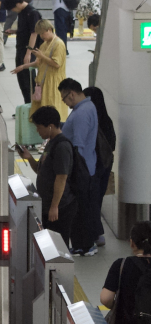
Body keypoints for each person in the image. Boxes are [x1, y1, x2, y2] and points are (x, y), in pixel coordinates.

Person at [18, 105, 77, 246]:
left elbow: (61, 178)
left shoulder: (62, 146)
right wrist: (29, 158)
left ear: (50, 126)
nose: (38, 131)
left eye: (39, 127)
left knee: (58, 246)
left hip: (60, 207)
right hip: (48, 204)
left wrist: (54, 206)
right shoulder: (51, 143)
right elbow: (42, 171)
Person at [59, 77, 99, 255]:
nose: (65, 103)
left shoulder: (82, 113)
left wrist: (74, 172)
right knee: (83, 208)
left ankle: (85, 245)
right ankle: (83, 244)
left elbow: (79, 145)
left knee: (81, 211)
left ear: (72, 94)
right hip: (86, 166)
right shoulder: (87, 107)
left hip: (81, 169)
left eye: (64, 98)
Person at [12, 19, 67, 119]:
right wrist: (24, 66)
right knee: (43, 113)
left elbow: (56, 64)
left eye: (43, 33)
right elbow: (39, 63)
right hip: (43, 82)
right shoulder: (44, 44)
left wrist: (41, 56)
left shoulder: (58, 44)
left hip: (54, 82)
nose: (41, 37)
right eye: (39, 34)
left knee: (53, 110)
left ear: (49, 29)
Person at [84, 85, 116, 247]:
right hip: (106, 165)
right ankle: (96, 233)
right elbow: (113, 145)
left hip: (93, 167)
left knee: (91, 199)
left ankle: (96, 234)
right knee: (97, 199)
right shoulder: (107, 120)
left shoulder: (91, 120)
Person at [3, 0, 41, 104]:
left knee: (29, 80)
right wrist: (14, 31)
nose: (13, 11)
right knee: (22, 80)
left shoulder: (33, 13)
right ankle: (27, 104)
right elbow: (26, 30)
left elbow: (34, 33)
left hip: (29, 51)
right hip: (20, 48)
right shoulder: (22, 12)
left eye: (13, 8)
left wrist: (29, 53)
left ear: (18, 4)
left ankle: (34, 106)